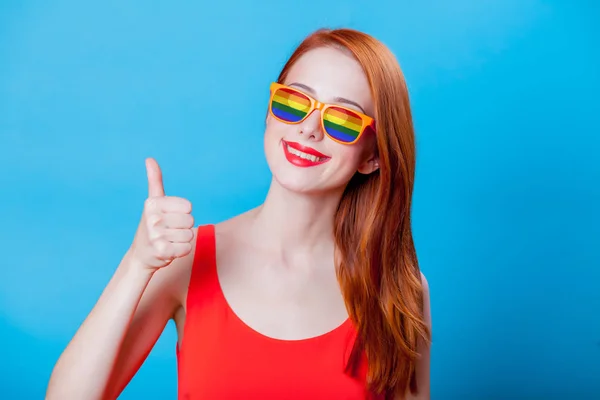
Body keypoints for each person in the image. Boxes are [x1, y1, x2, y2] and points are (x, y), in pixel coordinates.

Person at [46, 27, 432, 400]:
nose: (309, 129)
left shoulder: (397, 289)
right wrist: (136, 265)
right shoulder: (185, 258)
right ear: (270, 113)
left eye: (343, 120)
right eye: (294, 102)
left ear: (373, 155)